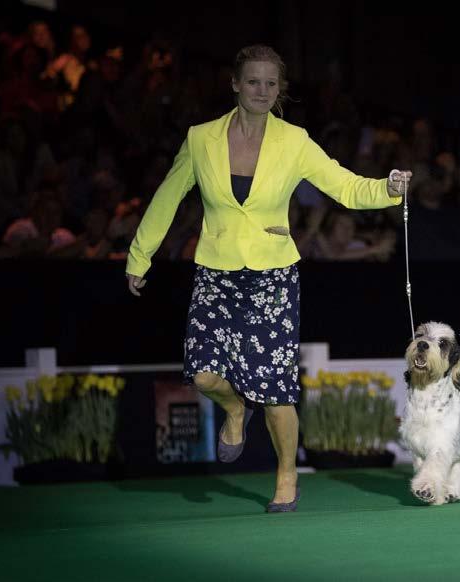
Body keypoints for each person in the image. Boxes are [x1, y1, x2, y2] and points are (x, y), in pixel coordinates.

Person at [125, 45, 410, 512]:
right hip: (215, 270)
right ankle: (236, 408)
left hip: (273, 276)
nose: (261, 90)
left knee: (276, 389)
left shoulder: (293, 141)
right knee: (201, 375)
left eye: (270, 83)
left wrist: (388, 188)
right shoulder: (201, 139)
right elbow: (167, 197)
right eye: (253, 81)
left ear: (279, 91)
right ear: (235, 84)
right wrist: (140, 255)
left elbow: (344, 185)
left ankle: (285, 475)